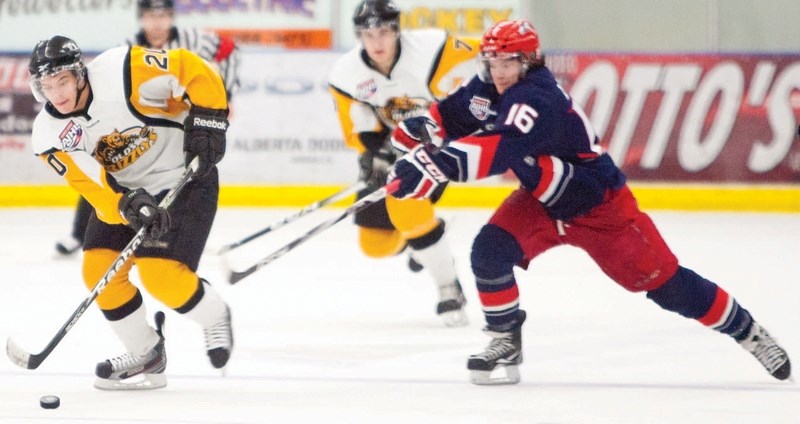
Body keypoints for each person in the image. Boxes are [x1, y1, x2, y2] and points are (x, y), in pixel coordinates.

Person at [388, 19, 792, 384]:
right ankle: (504, 339)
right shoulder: (489, 84)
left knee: (667, 287)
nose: (498, 72)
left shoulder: (538, 96)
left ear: (529, 61)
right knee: (489, 252)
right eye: (492, 62)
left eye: (508, 63)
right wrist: (415, 132)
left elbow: (502, 148)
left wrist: (433, 164)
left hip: (599, 207)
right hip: (543, 199)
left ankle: (749, 332)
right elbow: (451, 115)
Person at [29, 35, 233, 389]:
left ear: (79, 74)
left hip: (183, 179)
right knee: (98, 272)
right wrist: (125, 204)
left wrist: (210, 117)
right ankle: (146, 352)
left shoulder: (122, 69)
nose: (56, 94)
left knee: (161, 276)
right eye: (46, 86)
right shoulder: (47, 134)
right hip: (127, 195)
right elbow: (91, 184)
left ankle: (214, 315)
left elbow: (191, 67)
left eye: (62, 81)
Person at [327, 0, 481, 327]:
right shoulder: (346, 74)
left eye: (384, 31)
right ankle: (426, 241)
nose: (377, 42)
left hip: (437, 146)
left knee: (407, 205)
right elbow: (355, 128)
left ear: (397, 29)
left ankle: (447, 286)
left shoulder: (435, 48)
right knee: (374, 245)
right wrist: (375, 154)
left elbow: (490, 55)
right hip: (391, 146)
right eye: (368, 34)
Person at [54, 0, 240, 256]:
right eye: (151, 16)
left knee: (191, 171)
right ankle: (79, 233)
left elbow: (228, 49)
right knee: (109, 170)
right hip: (139, 121)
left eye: (163, 15)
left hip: (178, 122)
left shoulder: (193, 40)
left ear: (171, 17)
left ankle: (184, 235)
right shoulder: (128, 47)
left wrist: (226, 95)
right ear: (142, 18)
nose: (157, 22)